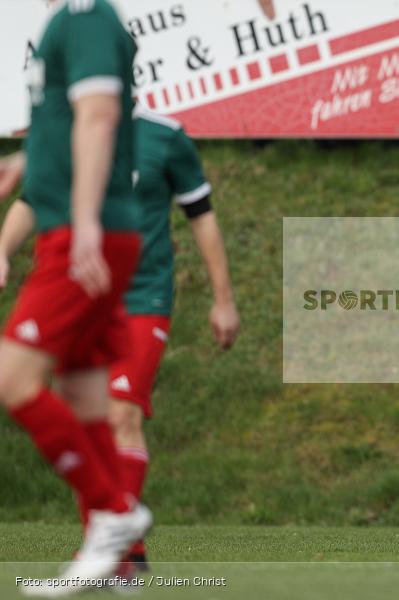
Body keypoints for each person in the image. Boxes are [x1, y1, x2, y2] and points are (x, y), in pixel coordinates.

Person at [0, 106, 241, 573]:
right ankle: (113, 550)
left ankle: (120, 544)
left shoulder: (165, 137)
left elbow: (202, 216)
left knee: (121, 413)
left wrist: (223, 299)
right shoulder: (68, 132)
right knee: (84, 414)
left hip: (143, 298)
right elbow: (35, 198)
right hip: (84, 293)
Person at [0, 0, 151, 590]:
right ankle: (122, 562)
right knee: (82, 396)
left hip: (83, 237)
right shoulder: (69, 18)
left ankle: (115, 514)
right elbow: (75, 125)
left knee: (13, 380)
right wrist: (27, 162)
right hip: (79, 231)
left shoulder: (85, 16)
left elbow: (99, 116)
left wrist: (85, 220)